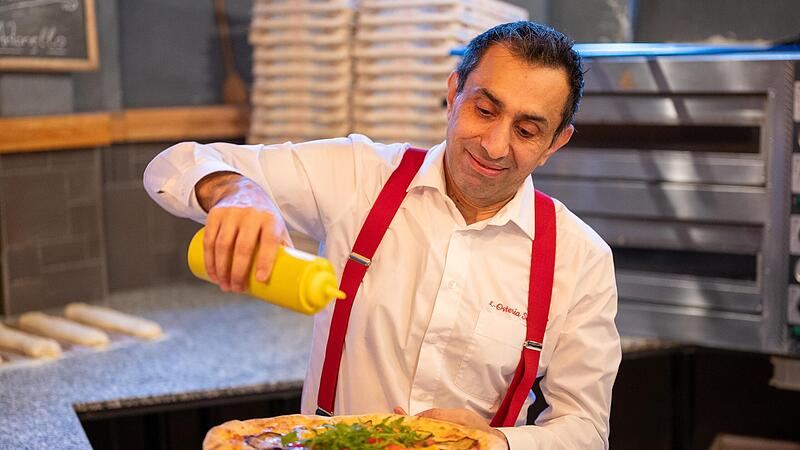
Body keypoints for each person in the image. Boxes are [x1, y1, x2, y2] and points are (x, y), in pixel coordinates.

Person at [144, 21, 621, 449]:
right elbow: (175, 164)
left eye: (527, 130)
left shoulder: (580, 259)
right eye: (484, 109)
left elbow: (585, 428)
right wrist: (236, 192)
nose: (495, 145)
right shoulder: (359, 175)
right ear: (453, 93)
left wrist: (497, 442)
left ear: (555, 142)